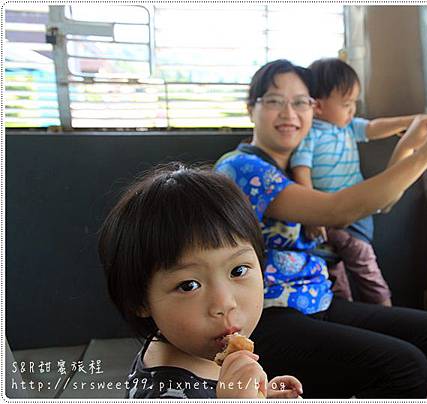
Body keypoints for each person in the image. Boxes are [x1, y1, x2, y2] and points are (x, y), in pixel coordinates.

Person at [214, 59, 427, 398]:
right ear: (251, 109)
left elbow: (376, 202)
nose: (289, 113)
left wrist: (409, 146)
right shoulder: (241, 168)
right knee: (404, 366)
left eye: (300, 102)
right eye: (274, 101)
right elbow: (340, 211)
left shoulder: (299, 171)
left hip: (316, 300)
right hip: (269, 315)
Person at [98, 164, 302, 399]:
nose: (224, 303)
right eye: (189, 285)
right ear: (140, 300)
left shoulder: (193, 349)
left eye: (238, 270)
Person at [290, 57, 427, 306]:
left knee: (347, 267)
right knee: (355, 269)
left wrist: (413, 121)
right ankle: (376, 309)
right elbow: (301, 171)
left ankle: (360, 310)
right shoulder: (309, 135)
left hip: (356, 216)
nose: (352, 111)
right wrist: (311, 217)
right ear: (318, 107)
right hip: (326, 220)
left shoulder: (348, 128)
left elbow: (375, 127)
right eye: (346, 104)